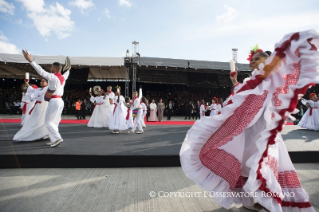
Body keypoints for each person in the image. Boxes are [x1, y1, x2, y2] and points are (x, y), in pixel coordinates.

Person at [180, 30, 318, 212]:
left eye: (257, 58)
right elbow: (241, 98)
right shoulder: (252, 81)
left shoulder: (271, 77)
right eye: (251, 59)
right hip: (250, 131)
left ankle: (267, 201)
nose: (252, 61)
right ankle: (258, 199)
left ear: (268, 61)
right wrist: (235, 81)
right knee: (247, 164)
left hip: (264, 132)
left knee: (261, 163)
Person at [22, 49, 70, 147]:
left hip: (54, 101)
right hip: (60, 101)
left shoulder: (52, 77)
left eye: (52, 66)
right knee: (54, 122)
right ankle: (54, 139)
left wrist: (31, 61)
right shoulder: (63, 78)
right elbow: (67, 73)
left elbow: (41, 71)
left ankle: (57, 138)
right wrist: (68, 68)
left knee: (48, 122)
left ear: (54, 68)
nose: (50, 68)